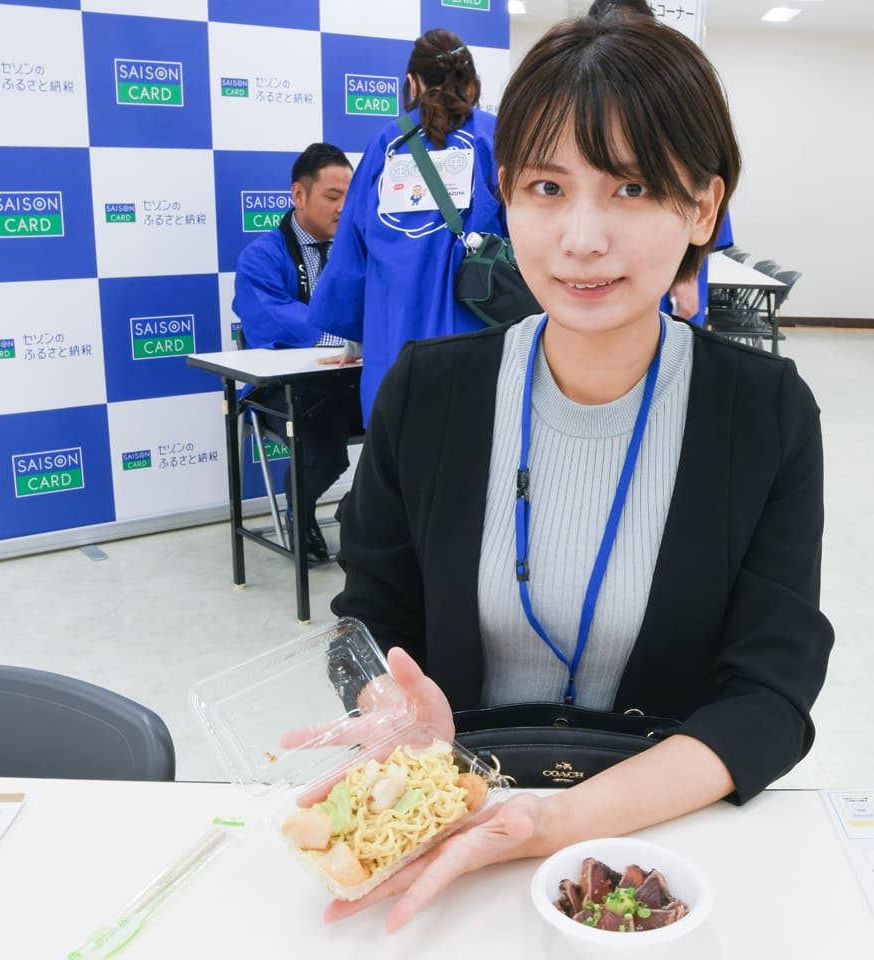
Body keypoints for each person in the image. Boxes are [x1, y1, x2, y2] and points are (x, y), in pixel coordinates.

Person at [327, 15, 833, 930]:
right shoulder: (428, 394)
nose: (582, 237)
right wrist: (388, 699)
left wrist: (553, 822)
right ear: (505, 195)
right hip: (455, 837)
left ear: (703, 209)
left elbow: (771, 696)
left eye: (633, 187)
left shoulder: (763, 412)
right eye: (547, 187)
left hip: (657, 851)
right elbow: (366, 619)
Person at [308, 28, 504, 421]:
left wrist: (353, 340)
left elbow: (351, 248)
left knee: (401, 467)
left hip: (394, 353)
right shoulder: (497, 136)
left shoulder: (387, 143)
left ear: (412, 83)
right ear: (472, 84)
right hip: (485, 346)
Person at [232, 142, 361, 562]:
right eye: (332, 196)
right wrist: (350, 336)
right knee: (321, 418)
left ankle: (360, 508)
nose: (344, 207)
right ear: (298, 195)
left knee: (408, 413)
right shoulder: (262, 256)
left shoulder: (361, 251)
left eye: (350, 196)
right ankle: (298, 509)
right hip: (286, 390)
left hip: (352, 379)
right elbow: (273, 321)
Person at [587, 0, 736, 326]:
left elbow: (705, 179)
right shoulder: (584, 94)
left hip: (669, 272)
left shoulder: (676, 95)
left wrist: (688, 273)